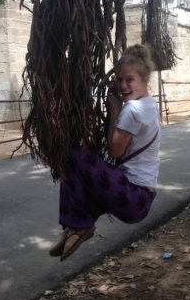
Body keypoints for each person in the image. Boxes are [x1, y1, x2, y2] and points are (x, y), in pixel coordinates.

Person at [48, 44, 161, 261]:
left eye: (130, 79)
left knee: (71, 154)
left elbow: (114, 151)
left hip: (132, 196)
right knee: (85, 174)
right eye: (119, 79)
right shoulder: (148, 104)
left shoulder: (132, 110)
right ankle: (75, 226)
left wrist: (115, 110)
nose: (123, 85)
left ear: (144, 79)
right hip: (142, 198)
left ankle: (79, 225)